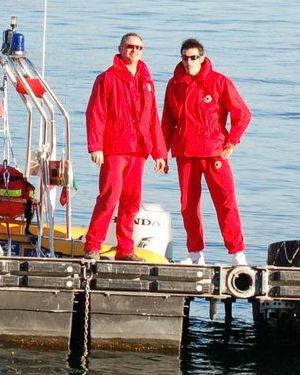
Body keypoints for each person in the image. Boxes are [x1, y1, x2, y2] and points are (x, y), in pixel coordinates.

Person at [160, 39, 252, 266]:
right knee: (188, 206)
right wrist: (162, 153)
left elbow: (242, 114)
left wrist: (231, 142)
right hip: (185, 152)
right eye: (184, 57)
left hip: (214, 152)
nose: (189, 62)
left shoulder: (219, 82)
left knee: (226, 202)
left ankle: (237, 253)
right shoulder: (174, 85)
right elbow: (167, 123)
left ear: (201, 57)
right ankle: (195, 254)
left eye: (193, 57)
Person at [84, 32, 169, 259]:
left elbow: (152, 117)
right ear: (121, 48)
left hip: (138, 150)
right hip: (114, 149)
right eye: (130, 46)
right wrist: (96, 146)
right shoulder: (107, 78)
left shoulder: (147, 81)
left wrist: (159, 153)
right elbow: (96, 113)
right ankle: (93, 246)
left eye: (139, 47)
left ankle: (125, 249)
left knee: (132, 201)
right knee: (109, 197)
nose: (134, 51)